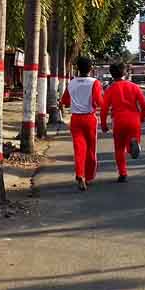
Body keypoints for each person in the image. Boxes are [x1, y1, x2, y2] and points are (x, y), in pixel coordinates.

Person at [60, 56, 103, 191]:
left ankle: (80, 174)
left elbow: (65, 102)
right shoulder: (94, 82)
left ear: (78, 68)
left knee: (79, 149)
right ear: (90, 69)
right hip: (90, 119)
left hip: (76, 120)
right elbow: (98, 101)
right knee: (91, 149)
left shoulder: (71, 83)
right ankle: (89, 176)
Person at [101, 62, 145, 183]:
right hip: (134, 120)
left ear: (112, 74)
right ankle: (133, 144)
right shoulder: (134, 87)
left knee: (119, 148)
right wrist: (142, 118)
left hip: (119, 120)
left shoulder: (110, 89)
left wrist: (104, 125)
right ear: (125, 73)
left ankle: (123, 173)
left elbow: (104, 109)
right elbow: (144, 105)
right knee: (132, 138)